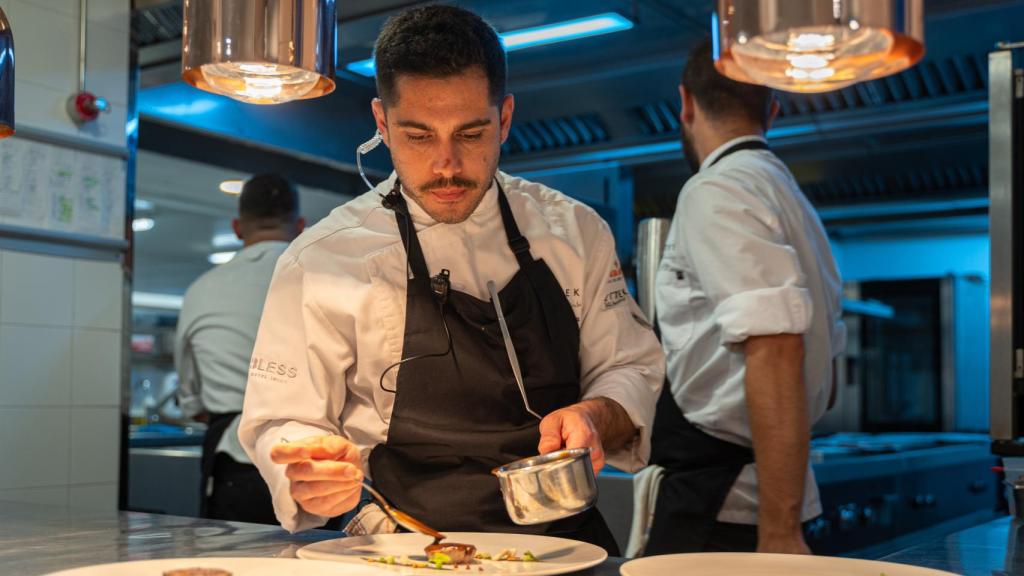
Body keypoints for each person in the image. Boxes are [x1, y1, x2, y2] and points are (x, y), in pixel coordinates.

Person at [237, 5, 664, 553]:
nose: (446, 165)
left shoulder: (575, 232)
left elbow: (629, 367)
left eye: (471, 133)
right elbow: (281, 420)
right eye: (418, 136)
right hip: (401, 550)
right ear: (382, 123)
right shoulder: (320, 259)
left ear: (504, 119)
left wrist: (595, 416)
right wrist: (309, 468)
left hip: (564, 546)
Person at [646, 38, 845, 555]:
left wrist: (779, 533)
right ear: (772, 111)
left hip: (726, 510)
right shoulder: (789, 197)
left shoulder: (717, 189)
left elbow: (776, 348)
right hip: (745, 499)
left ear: (685, 102)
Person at [175, 174, 306, 523]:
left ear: (236, 227)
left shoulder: (201, 290)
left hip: (234, 462)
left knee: (231, 555)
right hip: (313, 462)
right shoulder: (326, 281)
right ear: (301, 226)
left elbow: (191, 399)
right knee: (318, 553)